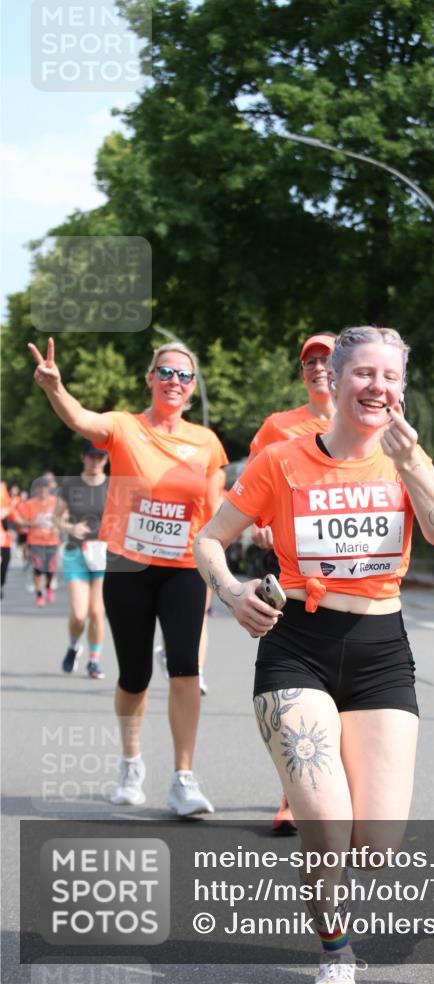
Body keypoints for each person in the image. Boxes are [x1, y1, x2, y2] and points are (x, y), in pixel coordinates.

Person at [195, 326, 434, 983]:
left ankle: (336, 866)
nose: (378, 386)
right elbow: (209, 539)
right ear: (334, 383)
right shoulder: (281, 460)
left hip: (380, 653)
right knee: (326, 819)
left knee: (374, 845)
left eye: (390, 376)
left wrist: (416, 466)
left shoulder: (405, 459)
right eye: (364, 373)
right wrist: (231, 589)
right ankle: (333, 946)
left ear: (401, 388)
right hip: (296, 647)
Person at [29, 337, 228, 817]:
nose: (174, 381)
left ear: (192, 384)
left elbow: (218, 510)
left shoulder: (206, 442)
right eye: (166, 372)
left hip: (184, 568)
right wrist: (56, 388)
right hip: (129, 568)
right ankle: (130, 763)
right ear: (150, 379)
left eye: (184, 375)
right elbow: (81, 419)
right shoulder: (122, 427)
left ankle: (183, 778)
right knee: (134, 676)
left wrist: (253, 534)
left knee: (186, 669)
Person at [249, 331, 337, 832]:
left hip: (358, 584)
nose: (319, 367)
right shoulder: (278, 427)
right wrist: (260, 522)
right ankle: (292, 794)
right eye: (309, 361)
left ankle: (333, 791)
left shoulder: (370, 420)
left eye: (327, 358)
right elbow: (258, 493)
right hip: (294, 579)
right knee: (297, 695)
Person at [55, 440, 110, 678]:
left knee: (97, 612)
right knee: (79, 614)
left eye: (101, 457)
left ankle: (94, 661)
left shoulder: (112, 487)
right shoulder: (70, 486)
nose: (96, 461)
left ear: (106, 460)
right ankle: (73, 645)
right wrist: (70, 527)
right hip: (76, 553)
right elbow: (56, 517)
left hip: (103, 555)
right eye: (91, 456)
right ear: (83, 457)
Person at [14, 476, 60, 606]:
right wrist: (32, 523)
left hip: (52, 540)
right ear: (36, 490)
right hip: (35, 540)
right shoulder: (29, 504)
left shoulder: (56, 502)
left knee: (50, 569)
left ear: (49, 489)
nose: (42, 490)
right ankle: (39, 594)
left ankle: (49, 587)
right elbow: (19, 520)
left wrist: (58, 527)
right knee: (38, 567)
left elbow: (64, 518)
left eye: (45, 488)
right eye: (40, 488)